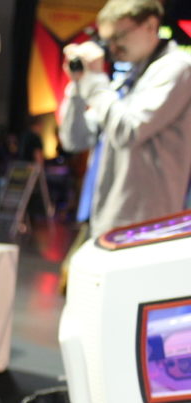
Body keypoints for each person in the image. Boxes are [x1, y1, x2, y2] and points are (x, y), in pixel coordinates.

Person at [58, 0, 191, 238]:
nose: (112, 48)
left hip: (143, 227)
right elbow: (75, 140)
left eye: (118, 37)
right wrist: (78, 85)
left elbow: (128, 130)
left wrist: (95, 81)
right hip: (104, 219)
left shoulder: (178, 68)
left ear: (150, 25)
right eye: (106, 40)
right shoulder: (127, 78)